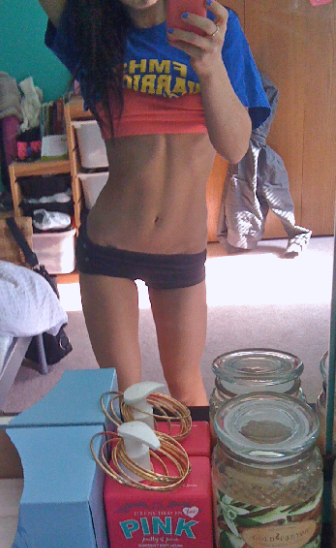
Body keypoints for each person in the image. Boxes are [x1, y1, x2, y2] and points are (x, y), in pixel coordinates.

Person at [37, 0, 270, 406]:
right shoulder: (92, 30)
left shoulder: (215, 28)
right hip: (109, 249)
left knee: (186, 389)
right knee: (129, 400)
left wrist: (210, 67)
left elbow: (234, 148)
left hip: (180, 252)